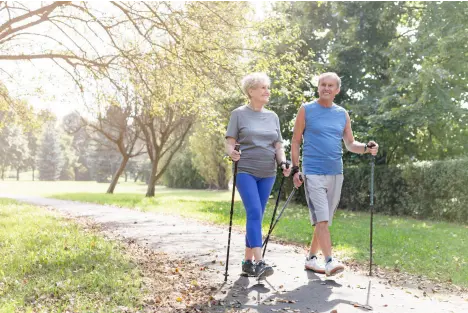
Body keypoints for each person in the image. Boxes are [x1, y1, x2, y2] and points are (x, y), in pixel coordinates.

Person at [291, 72, 379, 276]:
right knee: (321, 218)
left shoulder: (342, 114)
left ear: (337, 90)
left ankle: (311, 258)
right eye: (323, 84)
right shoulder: (306, 109)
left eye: (331, 85)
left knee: (324, 219)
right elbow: (295, 141)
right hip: (312, 171)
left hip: (335, 172)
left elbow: (350, 144)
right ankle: (329, 261)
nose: (326, 88)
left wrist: (366, 147)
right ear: (318, 87)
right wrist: (296, 169)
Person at [225, 72, 291, 278]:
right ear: (251, 91)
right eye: (262, 87)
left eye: (267, 87)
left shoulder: (273, 117)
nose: (267, 91)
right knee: (254, 211)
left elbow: (278, 146)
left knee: (257, 215)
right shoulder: (238, 114)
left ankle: (247, 262)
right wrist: (231, 153)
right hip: (245, 169)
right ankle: (260, 262)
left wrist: (283, 163)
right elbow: (229, 142)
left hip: (268, 172)